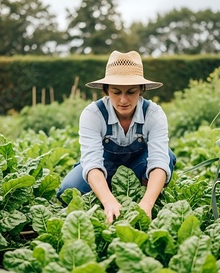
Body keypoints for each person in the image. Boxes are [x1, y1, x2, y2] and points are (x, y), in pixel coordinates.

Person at [57, 50, 176, 224]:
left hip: (138, 167)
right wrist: (108, 201)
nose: (123, 100)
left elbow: (158, 161)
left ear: (141, 90)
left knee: (167, 156)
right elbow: (91, 163)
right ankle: (108, 193)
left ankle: (142, 195)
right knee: (68, 191)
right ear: (106, 90)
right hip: (103, 168)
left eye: (131, 92)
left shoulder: (154, 113)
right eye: (116, 92)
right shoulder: (93, 114)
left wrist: (147, 204)